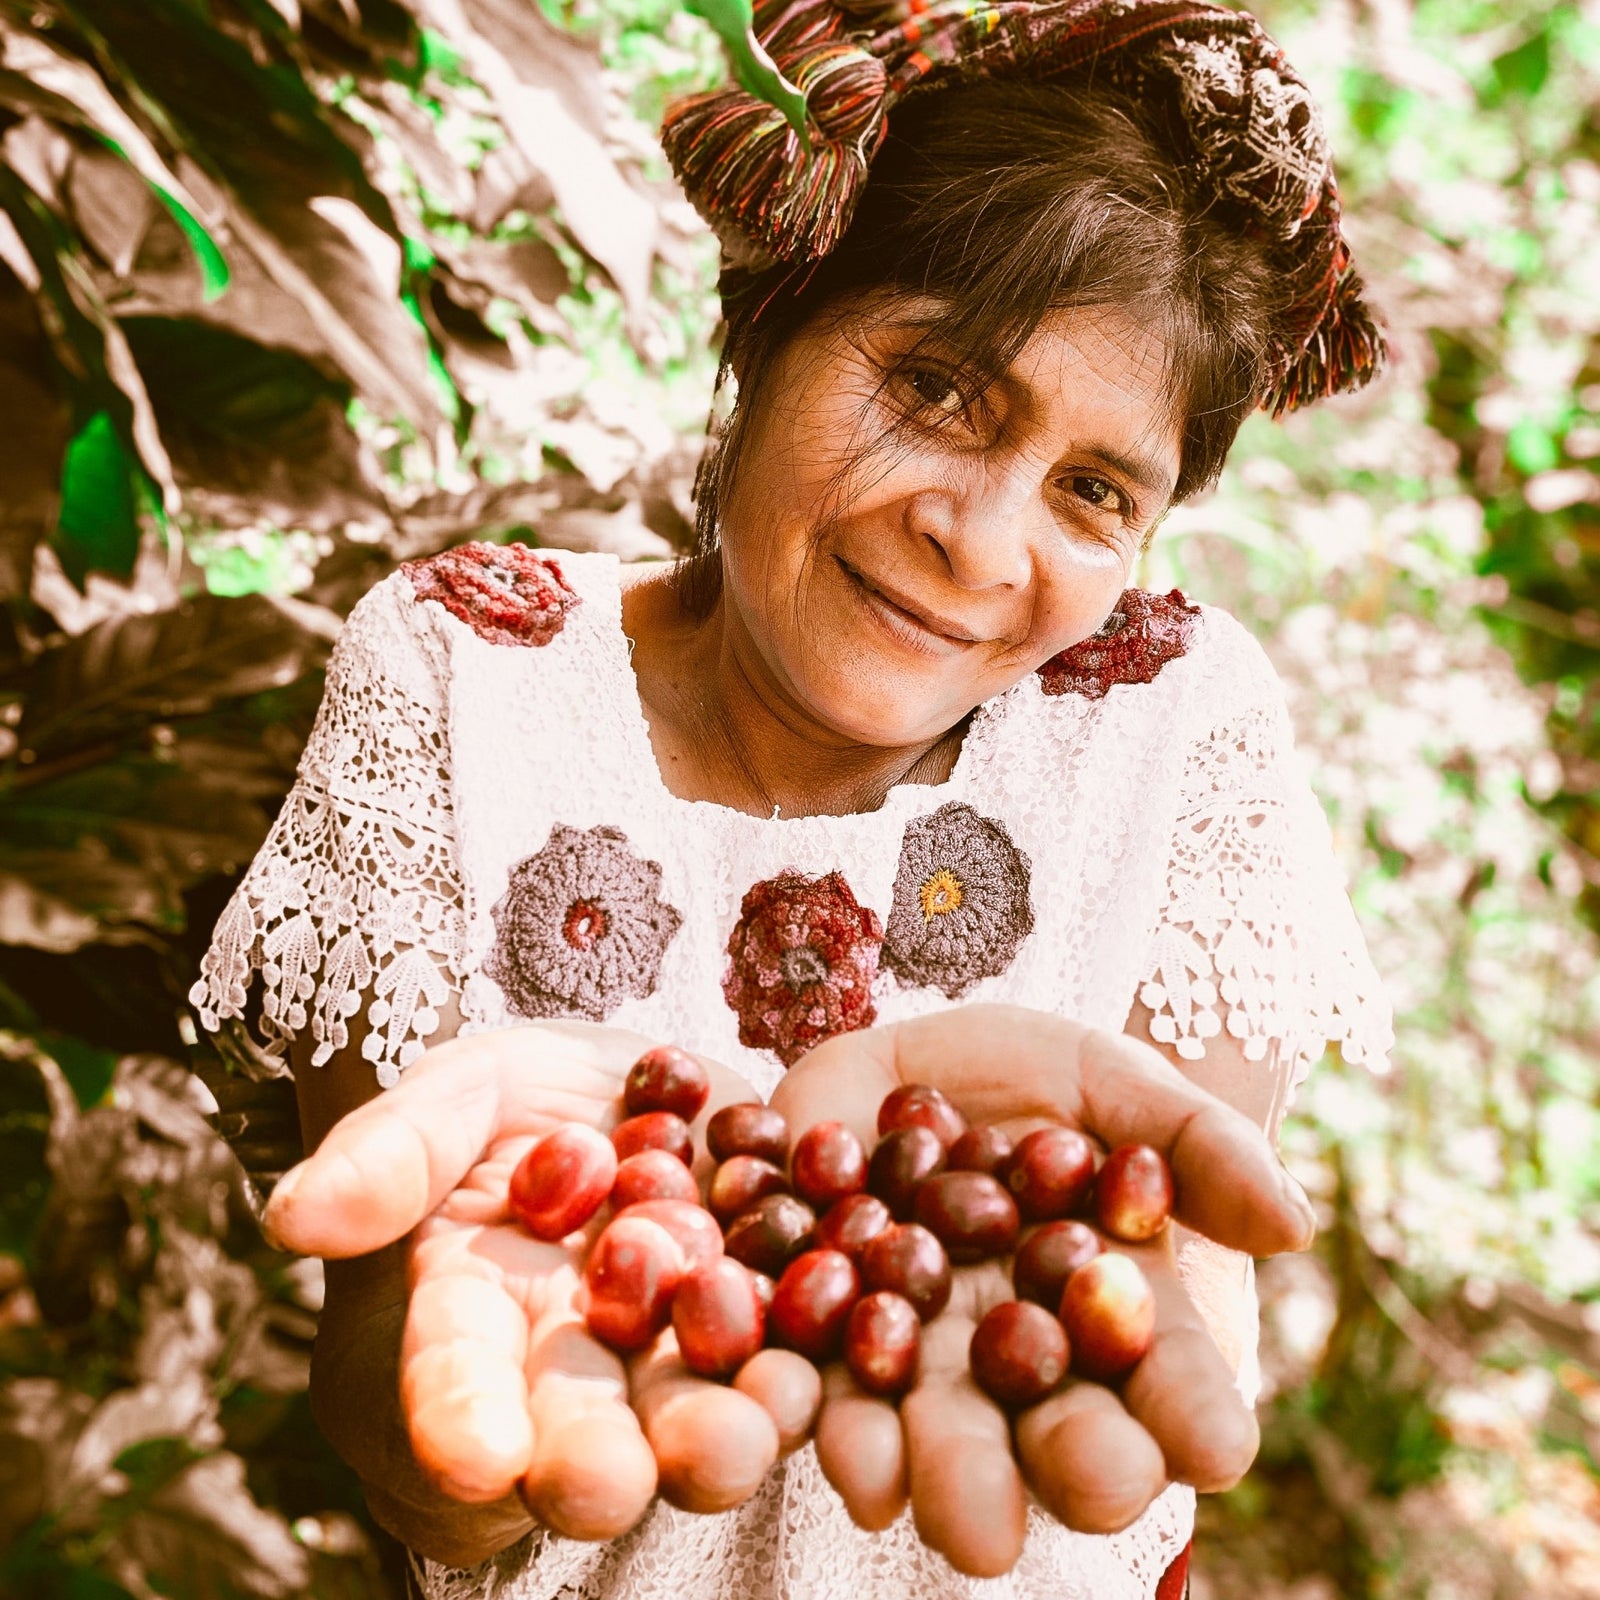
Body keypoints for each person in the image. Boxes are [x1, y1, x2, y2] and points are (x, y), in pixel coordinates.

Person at [189, 0, 1395, 1595]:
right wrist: (489, 1399)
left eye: (1095, 492)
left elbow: (1175, 1275)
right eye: (939, 387)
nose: (978, 541)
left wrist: (1127, 1273)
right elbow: (414, 1438)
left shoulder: (1164, 720)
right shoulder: (464, 674)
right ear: (770, 320)